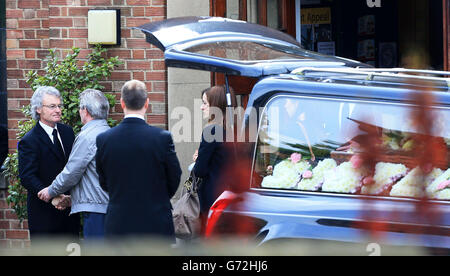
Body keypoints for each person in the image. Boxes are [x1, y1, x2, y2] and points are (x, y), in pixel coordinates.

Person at [96, 79, 182, 242]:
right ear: (147, 103)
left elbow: (103, 180)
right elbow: (174, 177)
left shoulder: (104, 139)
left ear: (122, 103)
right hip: (155, 222)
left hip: (119, 223)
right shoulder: (162, 138)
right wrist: (158, 197)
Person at [37, 89, 111, 242]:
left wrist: (50, 191)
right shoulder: (110, 133)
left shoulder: (87, 136)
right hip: (111, 207)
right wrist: (73, 199)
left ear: (85, 111)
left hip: (96, 211)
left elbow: (72, 172)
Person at [18, 86, 80, 242]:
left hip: (69, 211)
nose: (58, 110)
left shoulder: (68, 132)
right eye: (52, 106)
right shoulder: (29, 140)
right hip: (44, 215)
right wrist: (52, 196)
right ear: (38, 109)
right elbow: (27, 176)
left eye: (59, 106)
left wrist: (68, 198)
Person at [192, 85, 236, 230]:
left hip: (212, 198)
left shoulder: (212, 130)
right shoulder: (234, 131)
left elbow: (199, 170)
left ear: (215, 106)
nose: (201, 107)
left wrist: (198, 159)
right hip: (230, 196)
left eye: (205, 103)